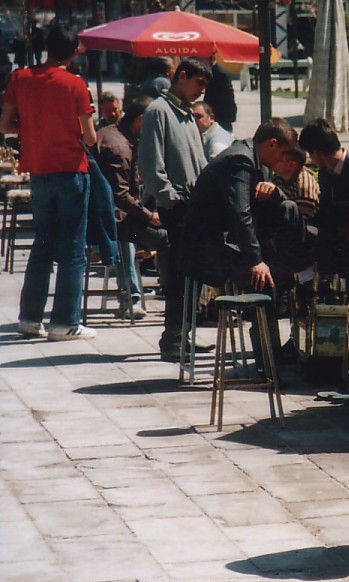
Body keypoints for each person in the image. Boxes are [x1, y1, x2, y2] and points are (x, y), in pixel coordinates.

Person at [1, 21, 97, 341]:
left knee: (42, 243)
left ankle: (30, 317)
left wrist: (31, 125)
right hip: (71, 169)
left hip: (39, 170)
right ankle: (65, 321)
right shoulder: (75, 84)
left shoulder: (20, 78)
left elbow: (6, 125)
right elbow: (90, 136)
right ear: (73, 52)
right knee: (72, 247)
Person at [180, 118, 299, 365]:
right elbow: (240, 214)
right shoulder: (241, 160)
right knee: (264, 281)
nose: (283, 160)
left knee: (276, 265)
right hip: (206, 249)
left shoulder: (255, 160)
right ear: (273, 144)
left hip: (223, 242)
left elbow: (274, 205)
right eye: (284, 153)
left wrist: (275, 192)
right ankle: (269, 366)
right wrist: (256, 261)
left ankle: (273, 355)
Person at [138, 56, 212, 361]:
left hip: (194, 207)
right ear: (181, 76)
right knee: (180, 277)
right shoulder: (159, 111)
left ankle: (182, 336)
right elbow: (150, 166)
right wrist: (171, 200)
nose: (201, 92)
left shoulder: (185, 113)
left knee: (192, 276)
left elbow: (200, 163)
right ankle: (172, 341)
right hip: (177, 207)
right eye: (199, 84)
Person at [94, 96, 162, 320]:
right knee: (162, 238)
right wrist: (149, 215)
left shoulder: (115, 135)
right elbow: (121, 195)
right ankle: (132, 297)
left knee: (132, 230)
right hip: (107, 219)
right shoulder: (118, 146)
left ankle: (131, 296)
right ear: (141, 120)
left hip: (106, 213)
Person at [271, 145, 320, 222]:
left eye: (278, 159)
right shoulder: (279, 177)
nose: (272, 161)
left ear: (291, 165)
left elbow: (302, 222)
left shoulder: (304, 187)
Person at [203, 55, 237, 132]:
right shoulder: (213, 71)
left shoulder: (219, 73)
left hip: (221, 114)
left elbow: (226, 97)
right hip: (218, 113)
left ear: (211, 59)